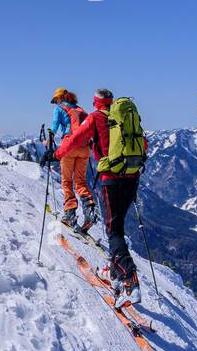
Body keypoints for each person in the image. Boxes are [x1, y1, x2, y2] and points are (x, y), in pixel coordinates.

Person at [56, 89, 149, 304]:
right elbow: (143, 144)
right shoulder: (124, 117)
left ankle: (129, 280)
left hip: (111, 179)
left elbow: (76, 139)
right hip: (132, 177)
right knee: (117, 225)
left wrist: (57, 154)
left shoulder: (96, 117)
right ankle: (115, 273)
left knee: (113, 231)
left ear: (96, 102)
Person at [49, 88, 97, 230]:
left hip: (69, 146)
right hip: (84, 148)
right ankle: (89, 209)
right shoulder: (81, 110)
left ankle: (70, 213)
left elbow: (54, 125)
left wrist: (49, 138)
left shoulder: (59, 109)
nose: (55, 102)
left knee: (67, 181)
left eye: (56, 99)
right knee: (81, 181)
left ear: (60, 98)